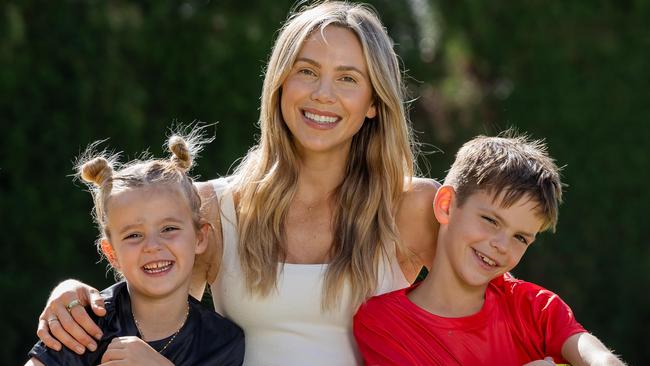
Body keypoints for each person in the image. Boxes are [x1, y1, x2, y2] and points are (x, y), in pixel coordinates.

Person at [34, 2, 439, 365]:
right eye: (307, 71)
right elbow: (153, 315)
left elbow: (497, 312)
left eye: (348, 78)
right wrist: (75, 295)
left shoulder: (414, 206)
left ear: (373, 101)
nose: (322, 94)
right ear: (280, 84)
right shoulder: (214, 208)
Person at [353, 133, 626, 366]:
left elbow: (598, 357)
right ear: (446, 205)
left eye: (520, 237)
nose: (501, 245)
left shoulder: (535, 308)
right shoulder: (382, 323)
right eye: (491, 220)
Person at [26, 130, 245, 365]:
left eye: (169, 229)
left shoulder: (221, 341)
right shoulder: (85, 324)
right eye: (134, 235)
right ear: (112, 254)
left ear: (200, 238)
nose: (152, 246)